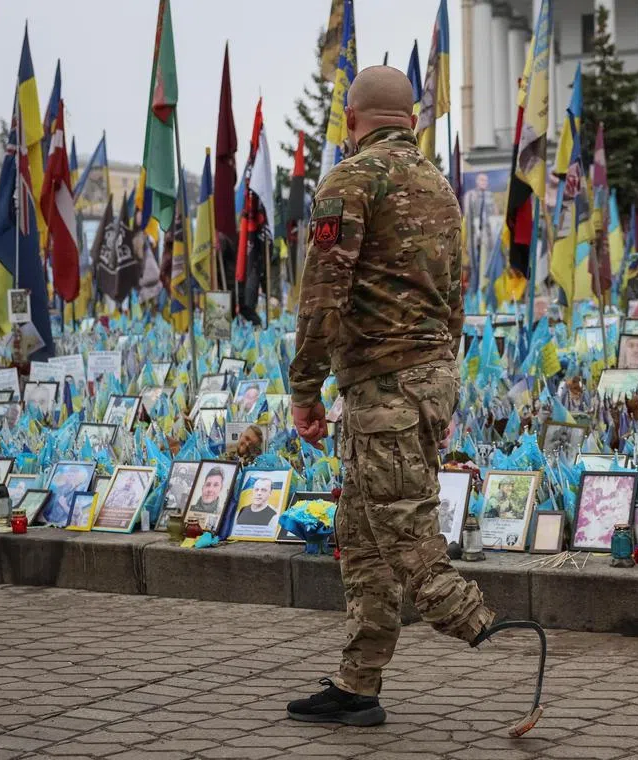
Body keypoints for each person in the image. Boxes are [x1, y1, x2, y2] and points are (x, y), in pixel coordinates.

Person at [287, 66, 541, 732]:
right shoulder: (441, 187)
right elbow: (455, 298)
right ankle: (357, 684)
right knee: (364, 538)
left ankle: (489, 626)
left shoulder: (350, 181)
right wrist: (439, 383)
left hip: (384, 386)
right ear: (412, 120)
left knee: (403, 535)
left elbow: (322, 296)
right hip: (427, 379)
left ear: (353, 117)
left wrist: (303, 388)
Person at [188, 467, 227, 531]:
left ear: (221, 489)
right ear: (203, 487)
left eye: (216, 485)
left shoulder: (222, 514)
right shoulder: (189, 510)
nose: (210, 489)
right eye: (208, 484)